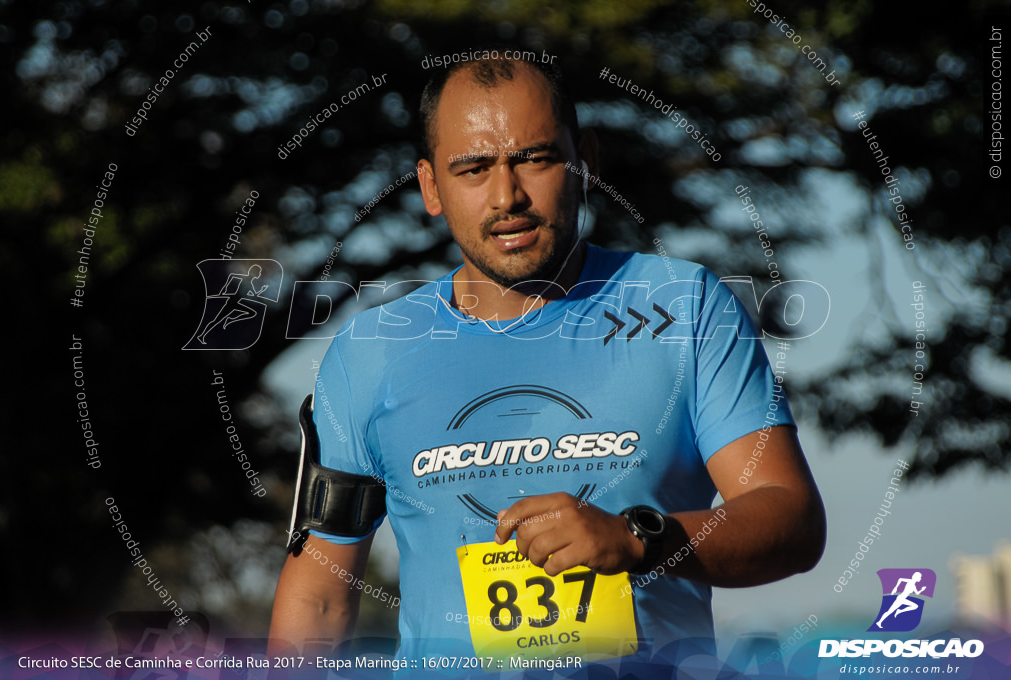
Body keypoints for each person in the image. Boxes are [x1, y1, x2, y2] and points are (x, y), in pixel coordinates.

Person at [269, 53, 826, 675]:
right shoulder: (370, 351)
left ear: (585, 159)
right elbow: (318, 594)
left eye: (534, 158)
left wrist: (640, 539)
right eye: (473, 168)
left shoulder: (684, 307)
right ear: (430, 187)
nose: (507, 196)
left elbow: (790, 517)